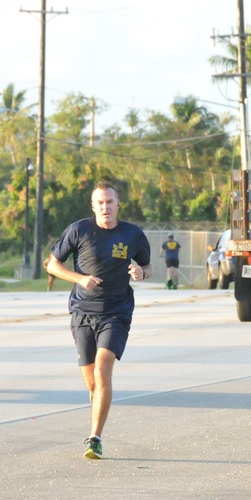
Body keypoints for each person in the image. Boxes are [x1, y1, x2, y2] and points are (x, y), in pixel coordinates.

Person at [46, 181, 153, 459]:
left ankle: (95, 438)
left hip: (116, 311)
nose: (105, 207)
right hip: (82, 311)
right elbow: (52, 264)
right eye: (100, 203)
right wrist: (80, 278)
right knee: (92, 382)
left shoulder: (133, 234)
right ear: (93, 206)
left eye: (110, 202)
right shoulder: (79, 230)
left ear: (118, 204)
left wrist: (141, 272)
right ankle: (97, 404)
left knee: (103, 369)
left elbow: (148, 267)